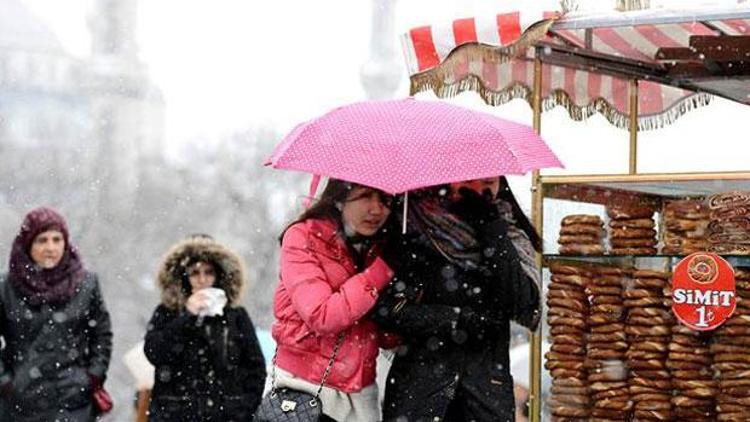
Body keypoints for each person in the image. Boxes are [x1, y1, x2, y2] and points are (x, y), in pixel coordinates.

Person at [374, 176, 541, 422]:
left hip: (485, 393)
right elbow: (386, 309)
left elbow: (523, 305)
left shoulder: (507, 230)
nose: (482, 190)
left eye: (490, 183)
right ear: (450, 180)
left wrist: (492, 232)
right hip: (420, 391)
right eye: (472, 181)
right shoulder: (414, 227)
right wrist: (451, 320)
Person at [270, 179, 398, 422]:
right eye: (365, 196)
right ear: (340, 196)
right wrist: (381, 271)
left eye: (385, 199)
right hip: (305, 388)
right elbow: (322, 315)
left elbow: (386, 336)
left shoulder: (379, 248)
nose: (377, 209)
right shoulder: (303, 237)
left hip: (361, 396)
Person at [0, 207, 113, 421]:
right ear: (28, 244)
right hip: (20, 403)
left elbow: (101, 335)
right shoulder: (6, 287)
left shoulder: (86, 284)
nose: (50, 247)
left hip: (73, 401)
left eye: (56, 239)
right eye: (42, 240)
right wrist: (6, 383)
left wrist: (92, 377)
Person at [144, 235, 266, 421]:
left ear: (218, 276)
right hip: (175, 415)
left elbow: (255, 369)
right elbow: (154, 353)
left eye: (208, 272)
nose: (202, 279)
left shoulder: (236, 316)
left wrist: (242, 410)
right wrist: (187, 316)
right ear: (184, 276)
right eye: (194, 272)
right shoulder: (167, 312)